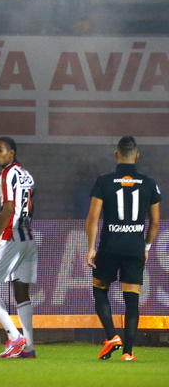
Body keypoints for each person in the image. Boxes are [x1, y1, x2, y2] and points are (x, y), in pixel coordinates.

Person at [86, 135, 161, 362]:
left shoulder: (104, 181)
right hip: (134, 247)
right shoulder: (149, 183)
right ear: (137, 156)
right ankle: (128, 352)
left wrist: (91, 248)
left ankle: (111, 336)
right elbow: (156, 222)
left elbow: (92, 218)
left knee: (100, 288)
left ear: (116, 154)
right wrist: (146, 246)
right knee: (132, 299)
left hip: (110, 245)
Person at [0, 136, 36, 359]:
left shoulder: (6, 174)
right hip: (27, 238)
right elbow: (22, 208)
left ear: (11, 152)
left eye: (0, 150)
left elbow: (11, 208)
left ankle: (15, 337)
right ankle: (29, 347)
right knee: (21, 293)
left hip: (11, 237)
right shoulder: (26, 174)